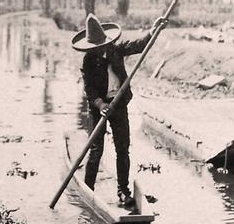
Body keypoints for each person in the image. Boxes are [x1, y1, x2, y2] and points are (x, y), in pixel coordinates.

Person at [72, 13, 167, 210]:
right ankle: (89, 188)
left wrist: (153, 30)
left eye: (101, 45)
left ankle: (123, 191)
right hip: (99, 107)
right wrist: (99, 104)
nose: (99, 50)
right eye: (95, 47)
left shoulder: (116, 51)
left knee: (122, 148)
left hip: (119, 103)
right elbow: (89, 88)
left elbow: (139, 46)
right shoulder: (88, 61)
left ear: (106, 42)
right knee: (96, 149)